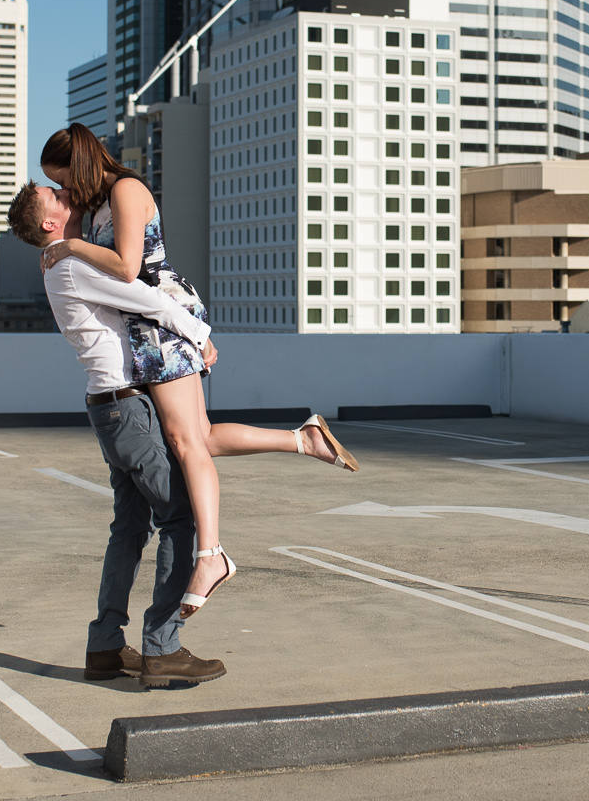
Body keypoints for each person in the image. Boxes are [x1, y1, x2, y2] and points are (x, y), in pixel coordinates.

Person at [33, 125, 356, 619]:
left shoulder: (125, 189)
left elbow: (125, 268)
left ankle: (210, 557)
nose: (67, 193)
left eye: (64, 182)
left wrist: (72, 248)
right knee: (197, 437)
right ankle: (303, 440)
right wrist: (63, 243)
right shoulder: (97, 205)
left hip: (161, 317)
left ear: (77, 165)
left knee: (187, 444)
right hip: (142, 327)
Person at [6, 180, 225, 689]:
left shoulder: (65, 262)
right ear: (48, 224)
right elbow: (144, 297)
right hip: (126, 409)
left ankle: (105, 646)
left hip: (110, 408)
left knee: (129, 528)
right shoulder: (73, 264)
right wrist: (201, 337)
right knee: (181, 518)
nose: (68, 195)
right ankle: (162, 647)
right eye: (57, 197)